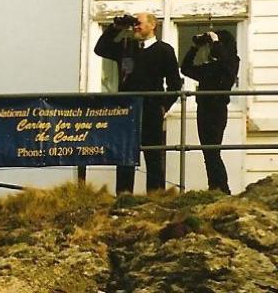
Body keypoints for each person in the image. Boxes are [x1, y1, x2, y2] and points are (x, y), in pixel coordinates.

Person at [94, 12, 182, 195]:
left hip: (151, 110)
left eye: (139, 23)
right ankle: (125, 196)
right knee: (125, 155)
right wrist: (116, 28)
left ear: (152, 25)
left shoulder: (164, 50)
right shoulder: (126, 47)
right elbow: (100, 49)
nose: (135, 27)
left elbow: (175, 83)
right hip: (127, 110)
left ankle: (156, 196)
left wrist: (163, 106)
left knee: (153, 156)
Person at [180, 29, 239, 194]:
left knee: (213, 150)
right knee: (208, 152)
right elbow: (186, 68)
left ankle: (222, 188)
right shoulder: (211, 66)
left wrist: (215, 41)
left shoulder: (232, 61)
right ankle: (215, 186)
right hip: (204, 109)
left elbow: (226, 64)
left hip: (217, 110)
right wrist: (194, 47)